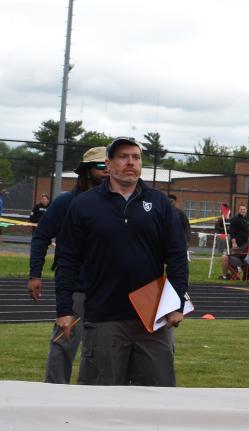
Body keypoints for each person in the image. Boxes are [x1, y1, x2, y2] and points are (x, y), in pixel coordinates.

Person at [54, 137, 189, 386]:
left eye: (136, 157)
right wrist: (64, 309)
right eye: (123, 157)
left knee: (158, 398)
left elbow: (177, 256)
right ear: (108, 164)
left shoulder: (160, 204)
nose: (130, 162)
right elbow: (67, 259)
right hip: (104, 316)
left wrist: (178, 301)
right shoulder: (84, 204)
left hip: (152, 319)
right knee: (100, 400)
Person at [27, 147, 108, 383]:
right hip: (76, 287)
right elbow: (41, 236)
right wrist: (35, 275)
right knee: (64, 342)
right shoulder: (66, 202)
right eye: (100, 166)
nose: (106, 171)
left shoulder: (115, 203)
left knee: (100, 349)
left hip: (108, 289)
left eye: (108, 166)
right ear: (86, 170)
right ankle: (54, 393)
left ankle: (89, 398)